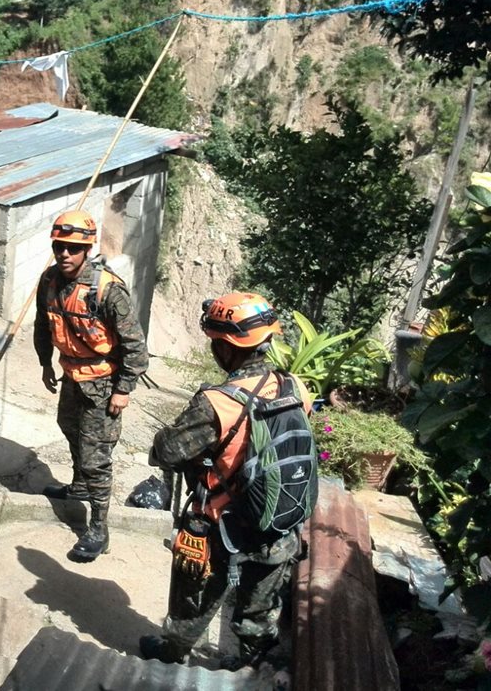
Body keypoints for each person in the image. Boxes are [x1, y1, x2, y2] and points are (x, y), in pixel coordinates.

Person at [140, 292, 315, 670]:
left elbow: (168, 452)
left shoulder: (216, 402)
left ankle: (171, 661)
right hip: (278, 525)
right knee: (259, 614)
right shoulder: (295, 387)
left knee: (191, 607)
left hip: (219, 527)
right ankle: (253, 671)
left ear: (226, 347)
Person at [33, 210, 149, 562]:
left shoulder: (108, 290)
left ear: (86, 250)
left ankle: (98, 528)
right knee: (68, 427)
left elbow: (135, 345)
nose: (64, 254)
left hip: (104, 382)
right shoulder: (49, 281)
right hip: (71, 374)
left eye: (73, 248)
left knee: (95, 457)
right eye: (59, 247)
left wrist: (124, 388)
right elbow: (43, 324)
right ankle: (79, 487)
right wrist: (44, 363)